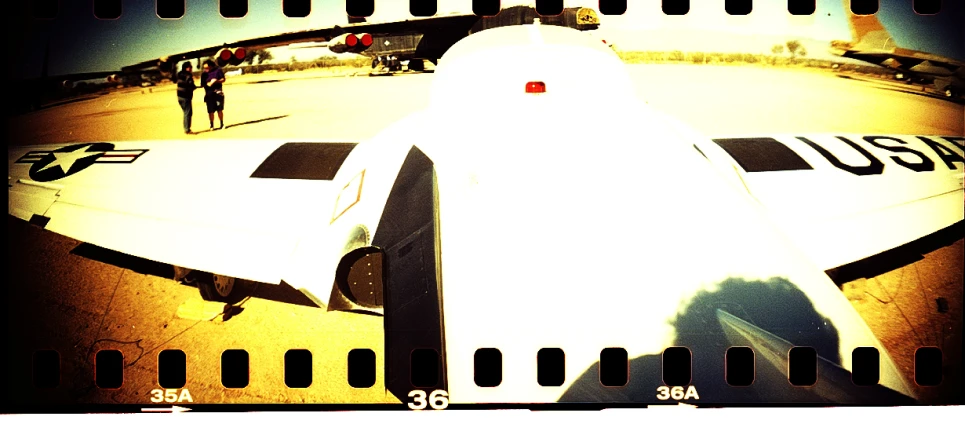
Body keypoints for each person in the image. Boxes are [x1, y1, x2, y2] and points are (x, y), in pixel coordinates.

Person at [200, 59, 226, 130]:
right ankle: (211, 125)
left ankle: (221, 123)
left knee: (219, 109)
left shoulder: (218, 70)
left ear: (211, 66)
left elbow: (223, 79)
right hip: (209, 95)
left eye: (207, 68)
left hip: (218, 94)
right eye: (204, 68)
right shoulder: (203, 74)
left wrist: (216, 81)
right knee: (210, 111)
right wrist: (207, 84)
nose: (206, 69)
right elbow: (202, 84)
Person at [175, 62, 197, 134]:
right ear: (186, 68)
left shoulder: (179, 74)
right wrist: (194, 87)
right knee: (188, 113)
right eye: (190, 67)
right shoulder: (188, 75)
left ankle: (186, 128)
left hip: (179, 96)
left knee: (185, 112)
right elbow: (190, 84)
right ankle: (187, 129)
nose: (191, 68)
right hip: (185, 96)